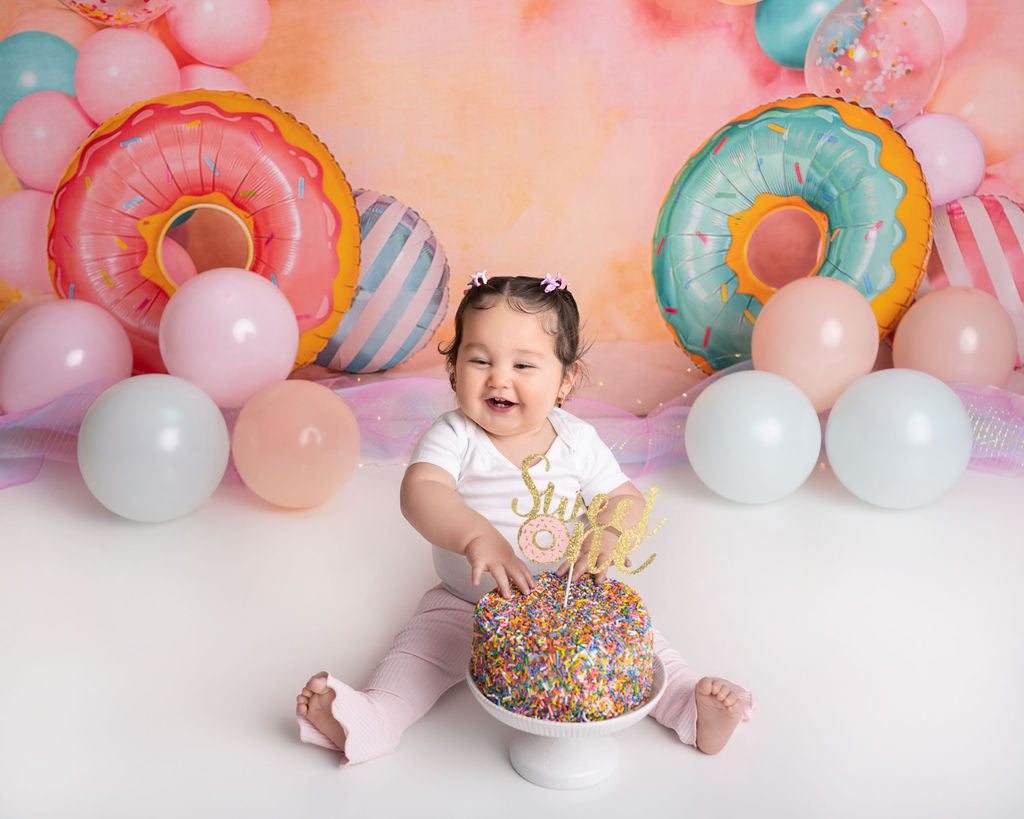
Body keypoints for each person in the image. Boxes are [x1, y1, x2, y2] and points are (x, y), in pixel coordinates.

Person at [296, 273, 752, 763]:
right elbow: (420, 492)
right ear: (453, 371)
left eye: (523, 364)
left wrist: (608, 528)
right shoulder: (455, 435)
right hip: (464, 601)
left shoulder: (576, 440)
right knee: (416, 655)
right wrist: (477, 536)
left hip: (568, 604)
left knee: (641, 648)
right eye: (479, 360)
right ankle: (374, 717)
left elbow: (626, 497)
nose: (498, 377)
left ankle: (691, 706)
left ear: (566, 379)